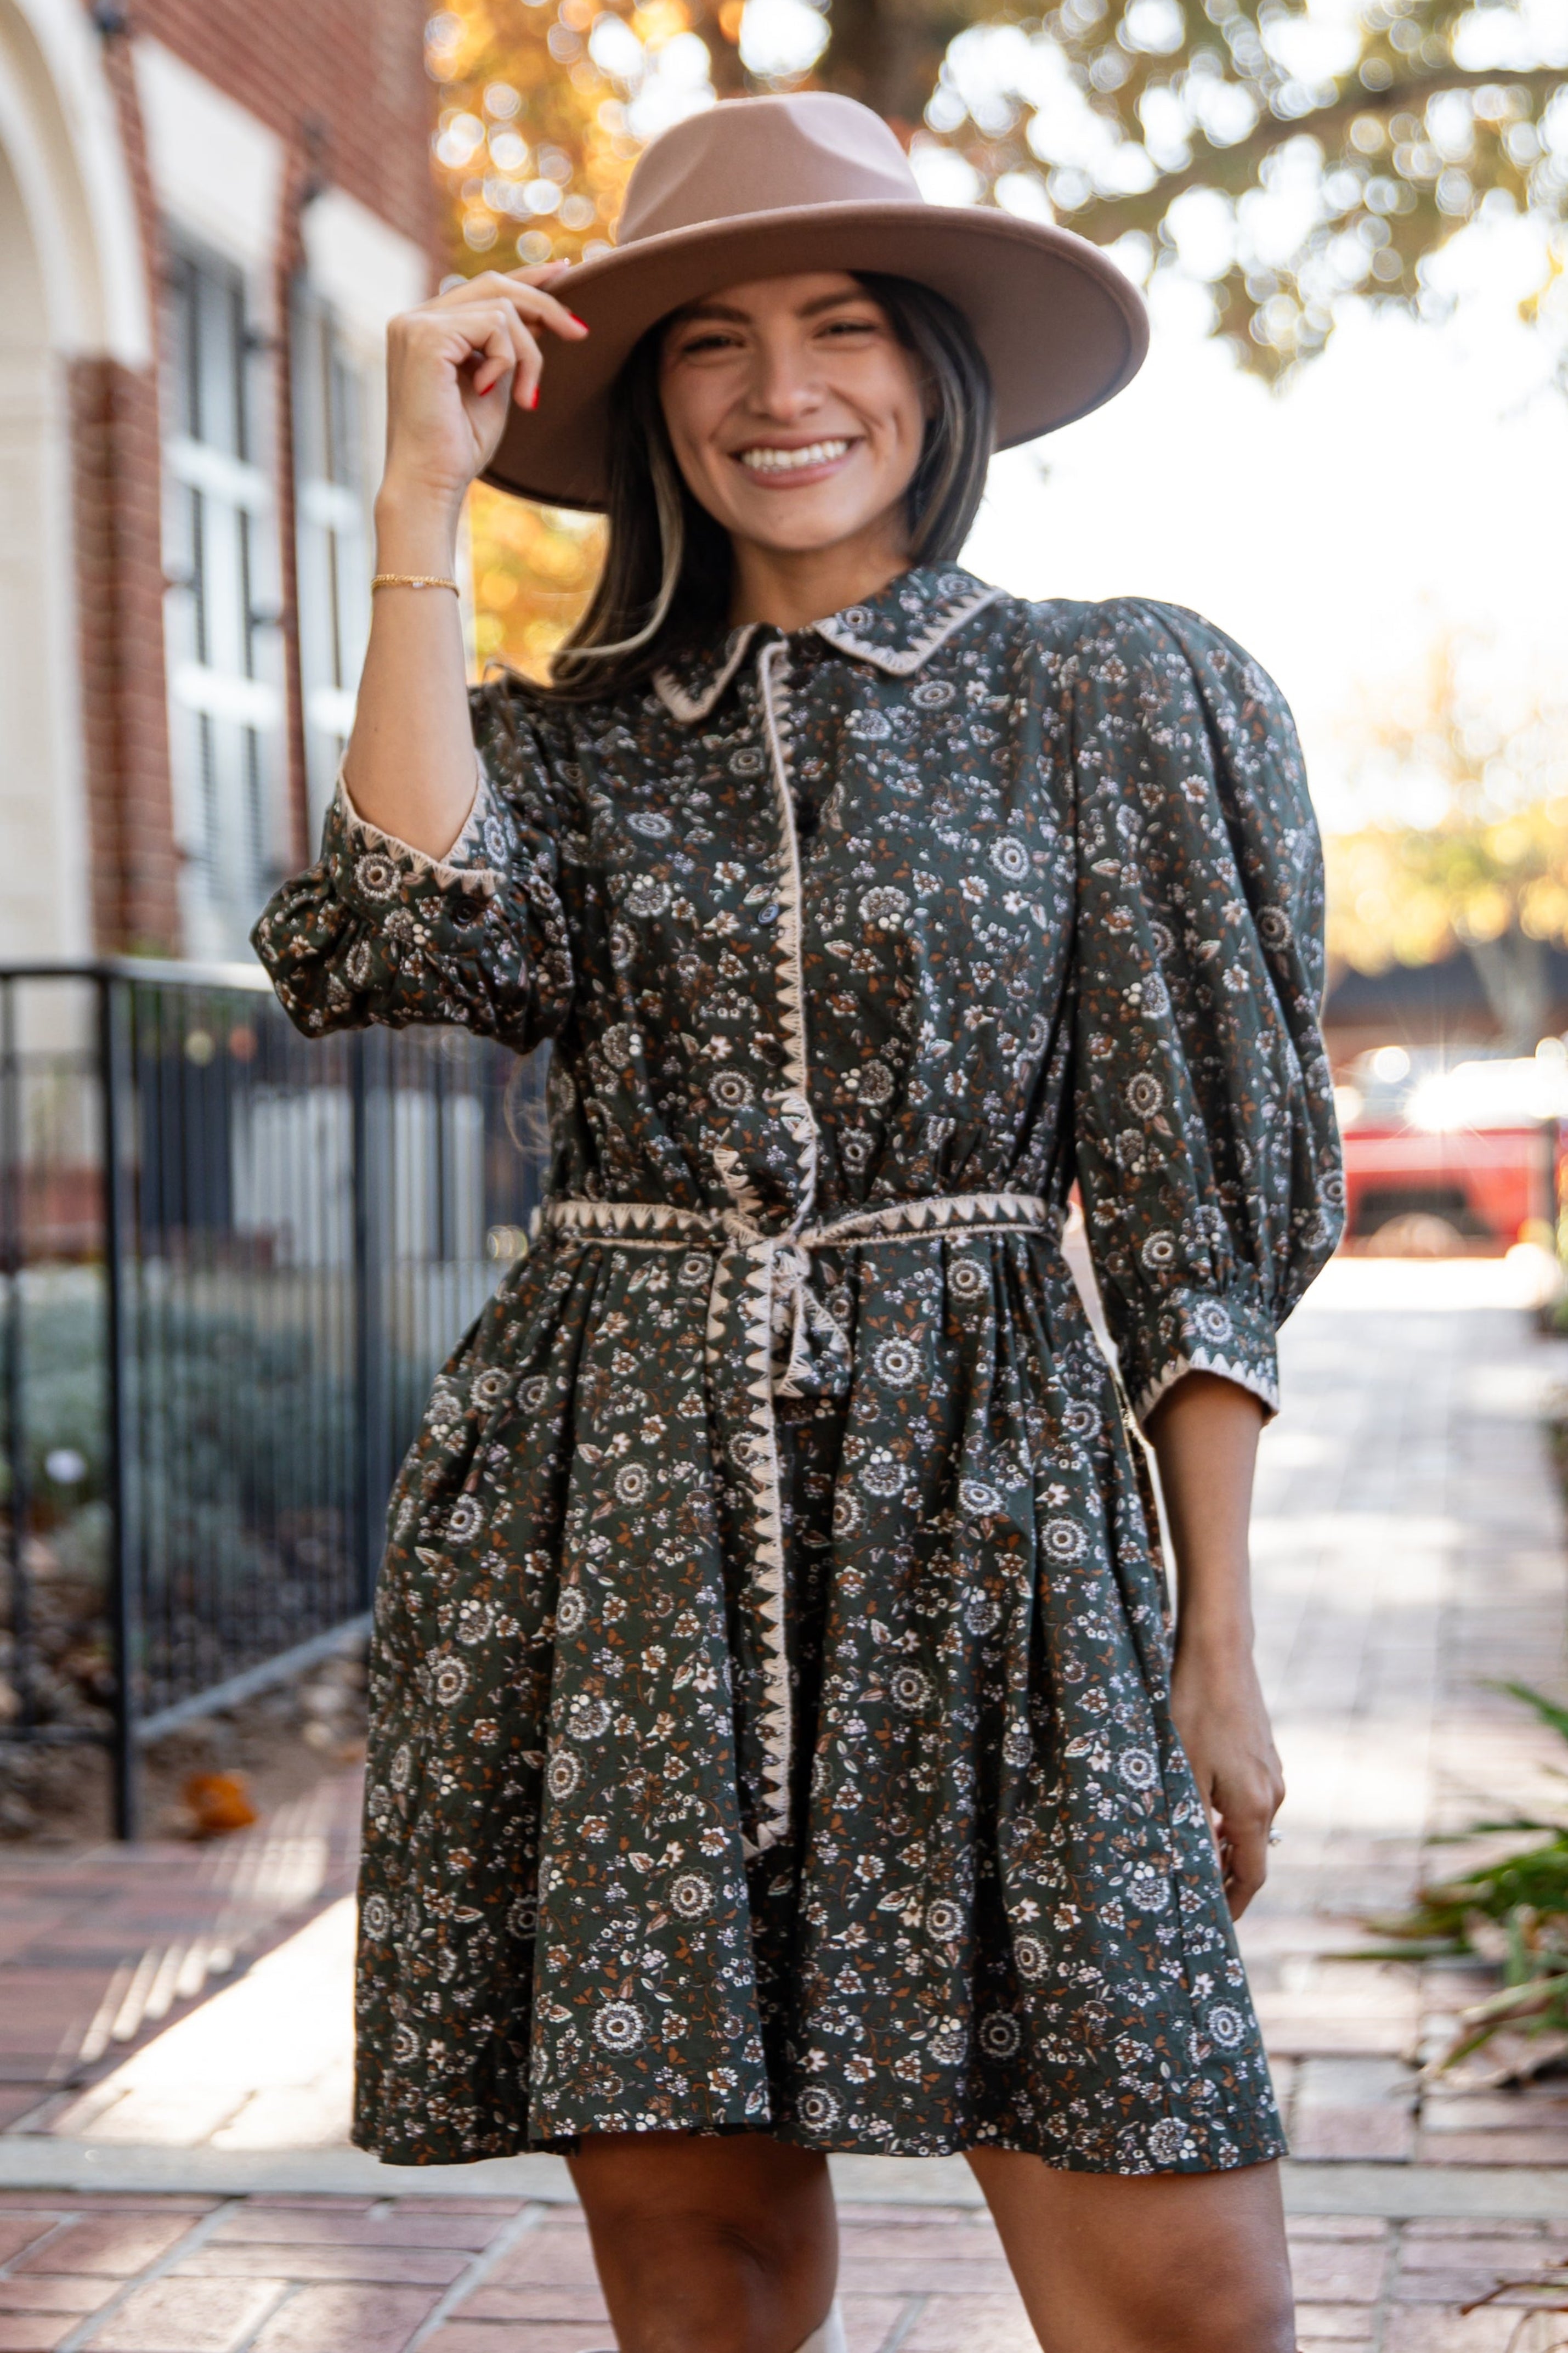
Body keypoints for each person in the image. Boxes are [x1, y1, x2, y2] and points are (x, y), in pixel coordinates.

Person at [254, 91, 1343, 2353]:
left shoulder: (1105, 693)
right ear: (643, 400)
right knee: (703, 2260)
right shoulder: (566, 749)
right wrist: (410, 501)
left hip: (998, 1511)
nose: (781, 390)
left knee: (1184, 2277)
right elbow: (392, 932)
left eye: (843, 324)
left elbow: (1190, 1193)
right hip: (621, 1513)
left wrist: (1216, 1636)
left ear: (935, 374)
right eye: (709, 342)